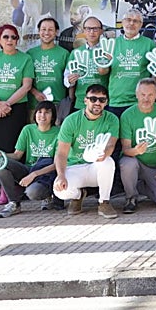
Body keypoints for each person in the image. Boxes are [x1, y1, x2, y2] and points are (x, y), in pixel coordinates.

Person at [53, 83, 120, 218]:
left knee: (108, 162)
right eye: (93, 99)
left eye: (102, 100)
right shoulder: (71, 120)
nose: (97, 103)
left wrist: (104, 154)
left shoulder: (111, 119)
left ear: (106, 102)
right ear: (85, 100)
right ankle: (78, 196)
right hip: (75, 166)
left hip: (96, 167)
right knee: (59, 190)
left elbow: (110, 145)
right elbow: (61, 153)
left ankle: (104, 202)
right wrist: (60, 176)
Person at [0, 23, 34, 193]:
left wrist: (7, 104)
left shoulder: (25, 59)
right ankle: (1, 189)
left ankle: (17, 188)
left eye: (13, 37)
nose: (10, 40)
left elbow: (26, 86)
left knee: (15, 148)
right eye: (6, 36)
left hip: (16, 109)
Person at [118, 77, 156, 212]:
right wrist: (136, 151)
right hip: (136, 161)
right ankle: (131, 198)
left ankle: (140, 187)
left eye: (150, 95)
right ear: (137, 95)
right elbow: (126, 149)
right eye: (143, 94)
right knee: (127, 163)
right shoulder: (127, 115)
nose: (146, 99)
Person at [0, 101, 60, 218]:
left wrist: (34, 174)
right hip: (28, 169)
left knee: (32, 192)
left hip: (46, 174)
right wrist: (2, 155)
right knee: (1, 164)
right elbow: (17, 155)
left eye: (47, 112)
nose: (42, 116)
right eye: (39, 112)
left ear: (53, 116)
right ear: (34, 115)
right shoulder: (28, 129)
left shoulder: (59, 132)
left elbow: (57, 164)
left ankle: (48, 196)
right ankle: (14, 203)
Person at [107, 9, 156, 118]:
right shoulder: (112, 44)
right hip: (116, 100)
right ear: (122, 22)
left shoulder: (149, 44)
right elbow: (103, 72)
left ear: (141, 25)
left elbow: (154, 73)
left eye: (136, 21)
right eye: (128, 20)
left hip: (139, 102)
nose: (131, 23)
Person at [29, 16, 71, 123]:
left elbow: (69, 80)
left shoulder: (64, 54)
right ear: (38, 31)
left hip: (57, 105)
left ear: (56, 32)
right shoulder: (30, 54)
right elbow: (24, 80)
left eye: (50, 29)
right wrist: (35, 93)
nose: (46, 33)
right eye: (43, 29)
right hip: (35, 105)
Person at [64, 16, 109, 106]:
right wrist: (69, 80)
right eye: (88, 29)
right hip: (81, 102)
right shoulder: (76, 52)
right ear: (83, 31)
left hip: (101, 102)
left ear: (101, 31)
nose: (91, 32)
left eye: (95, 29)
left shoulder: (108, 51)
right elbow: (66, 78)